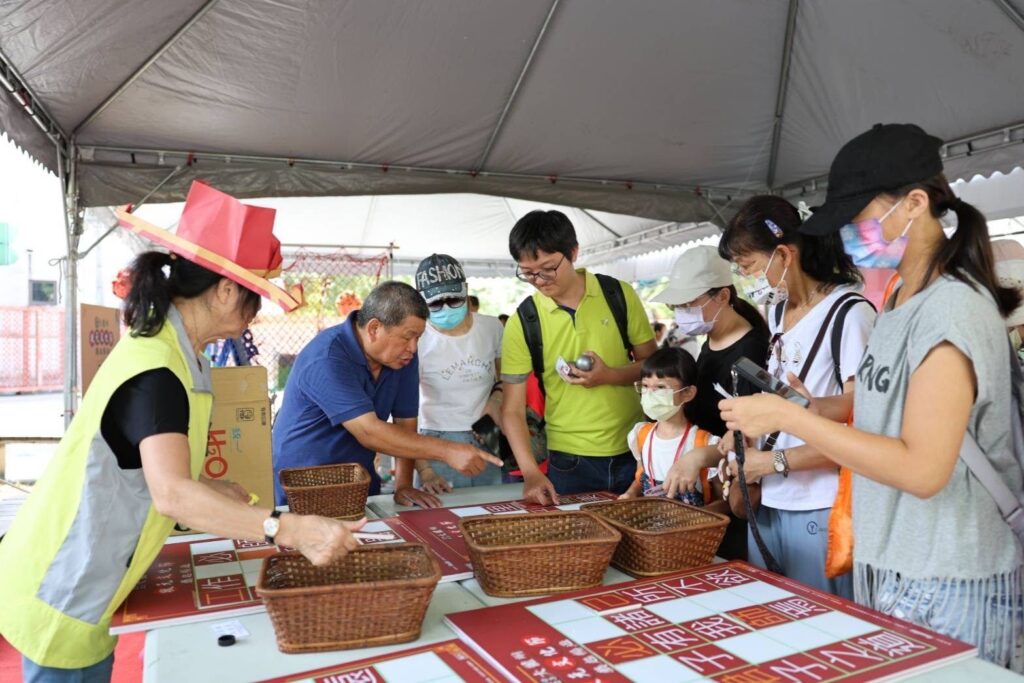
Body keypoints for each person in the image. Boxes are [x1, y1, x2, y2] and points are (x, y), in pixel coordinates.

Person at [0, 182, 367, 682]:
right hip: (65, 584)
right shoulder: (158, 371)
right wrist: (288, 528)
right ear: (225, 290)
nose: (252, 317)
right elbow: (172, 495)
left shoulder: (172, 352)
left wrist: (211, 489)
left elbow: (146, 466)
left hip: (90, 574)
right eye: (253, 300)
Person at [719, 123, 1023, 670]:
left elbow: (923, 469)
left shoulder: (950, 309)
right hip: (899, 564)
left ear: (913, 204)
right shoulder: (902, 296)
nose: (848, 234)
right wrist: (801, 407)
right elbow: (879, 407)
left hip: (952, 574)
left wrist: (794, 424)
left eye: (857, 217)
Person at [716, 194, 875, 598]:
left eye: (748, 266)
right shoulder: (776, 314)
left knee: (823, 629)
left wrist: (769, 461)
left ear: (784, 255)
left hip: (820, 507)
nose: (745, 278)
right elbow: (787, 405)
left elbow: (864, 427)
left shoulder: (849, 314)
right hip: (771, 499)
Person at [272, 281, 502, 509]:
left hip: (357, 484)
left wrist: (403, 486)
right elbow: (369, 432)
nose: (413, 347)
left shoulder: (402, 357)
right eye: (407, 336)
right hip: (303, 488)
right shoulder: (327, 358)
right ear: (374, 329)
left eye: (418, 338)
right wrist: (448, 450)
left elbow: (405, 423)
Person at [500, 210, 657, 504]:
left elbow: (654, 366)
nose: (540, 280)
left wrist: (609, 375)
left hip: (635, 449)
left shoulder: (618, 295)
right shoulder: (523, 321)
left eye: (548, 267)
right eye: (528, 272)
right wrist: (531, 472)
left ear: (573, 252)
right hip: (569, 461)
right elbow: (511, 409)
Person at [651, 245, 771, 559]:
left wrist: (697, 457)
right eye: (677, 306)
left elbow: (754, 432)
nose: (681, 313)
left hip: (732, 491)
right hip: (705, 483)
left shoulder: (752, 353)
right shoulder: (711, 340)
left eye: (689, 304)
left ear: (723, 297)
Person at [412, 254, 504, 489]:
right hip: (437, 440)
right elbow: (405, 412)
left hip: (488, 434)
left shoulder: (492, 328)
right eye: (435, 303)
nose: (445, 308)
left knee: (490, 513)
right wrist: (424, 469)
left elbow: (507, 379)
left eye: (454, 299)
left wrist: (496, 399)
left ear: (466, 291)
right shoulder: (417, 338)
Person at [620, 347, 720, 506]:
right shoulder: (641, 435)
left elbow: (723, 500)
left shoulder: (704, 443)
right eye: (645, 386)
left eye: (660, 387)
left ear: (687, 393)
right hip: (651, 527)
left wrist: (704, 518)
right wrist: (631, 493)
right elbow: (641, 478)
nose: (650, 394)